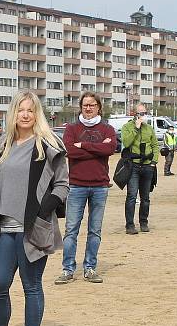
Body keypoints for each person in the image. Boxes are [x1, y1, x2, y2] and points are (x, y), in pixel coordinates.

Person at [0, 91, 68, 326]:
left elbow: (62, 185)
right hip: (3, 227)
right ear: (13, 113)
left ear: (36, 114)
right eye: (20, 110)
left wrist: (43, 210)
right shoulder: (4, 143)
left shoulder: (48, 144)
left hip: (32, 229)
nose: (25, 114)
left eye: (30, 110)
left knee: (31, 287)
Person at [55, 92, 117, 285]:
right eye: (85, 105)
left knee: (95, 230)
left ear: (98, 106)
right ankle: (68, 269)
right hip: (76, 185)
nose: (88, 108)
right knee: (71, 230)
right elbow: (69, 150)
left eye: (92, 105)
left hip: (100, 186)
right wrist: (96, 148)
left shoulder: (108, 129)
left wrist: (83, 145)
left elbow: (110, 149)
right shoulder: (72, 128)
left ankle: (89, 268)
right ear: (81, 107)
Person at [120, 104, 158, 234]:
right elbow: (126, 142)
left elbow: (155, 146)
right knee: (131, 196)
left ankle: (143, 222)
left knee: (145, 197)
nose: (143, 115)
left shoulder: (149, 129)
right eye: (141, 113)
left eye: (145, 113)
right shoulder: (126, 127)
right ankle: (129, 225)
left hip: (148, 166)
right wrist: (135, 128)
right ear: (134, 114)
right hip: (134, 166)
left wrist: (153, 162)